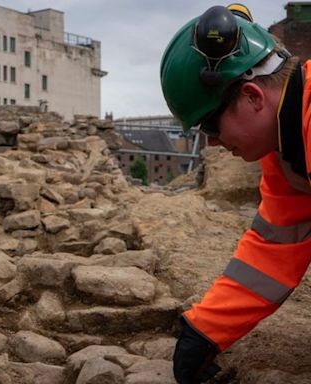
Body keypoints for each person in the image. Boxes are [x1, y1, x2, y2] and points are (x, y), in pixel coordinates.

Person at [160, 3, 311, 383]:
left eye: (210, 124)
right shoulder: (288, 149)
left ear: (253, 97)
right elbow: (274, 250)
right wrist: (206, 329)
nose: (210, 142)